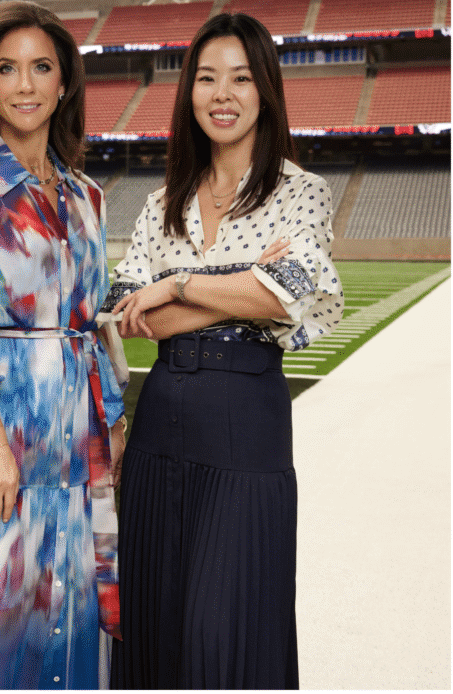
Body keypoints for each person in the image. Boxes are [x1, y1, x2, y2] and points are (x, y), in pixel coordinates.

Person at [105, 13, 345, 689]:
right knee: (151, 623)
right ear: (188, 93)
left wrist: (177, 284)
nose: (223, 93)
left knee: (224, 630)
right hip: (161, 424)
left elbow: (284, 297)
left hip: (246, 423)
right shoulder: (160, 204)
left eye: (241, 78)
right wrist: (237, 283)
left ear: (265, 90)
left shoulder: (302, 192)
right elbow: (127, 309)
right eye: (207, 77)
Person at [0, 2, 127, 688]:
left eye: (42, 67)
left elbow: (94, 321)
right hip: (4, 441)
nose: (26, 84)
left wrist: (114, 418)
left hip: (77, 446)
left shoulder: (87, 197)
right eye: (7, 69)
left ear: (65, 82)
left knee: (69, 611)